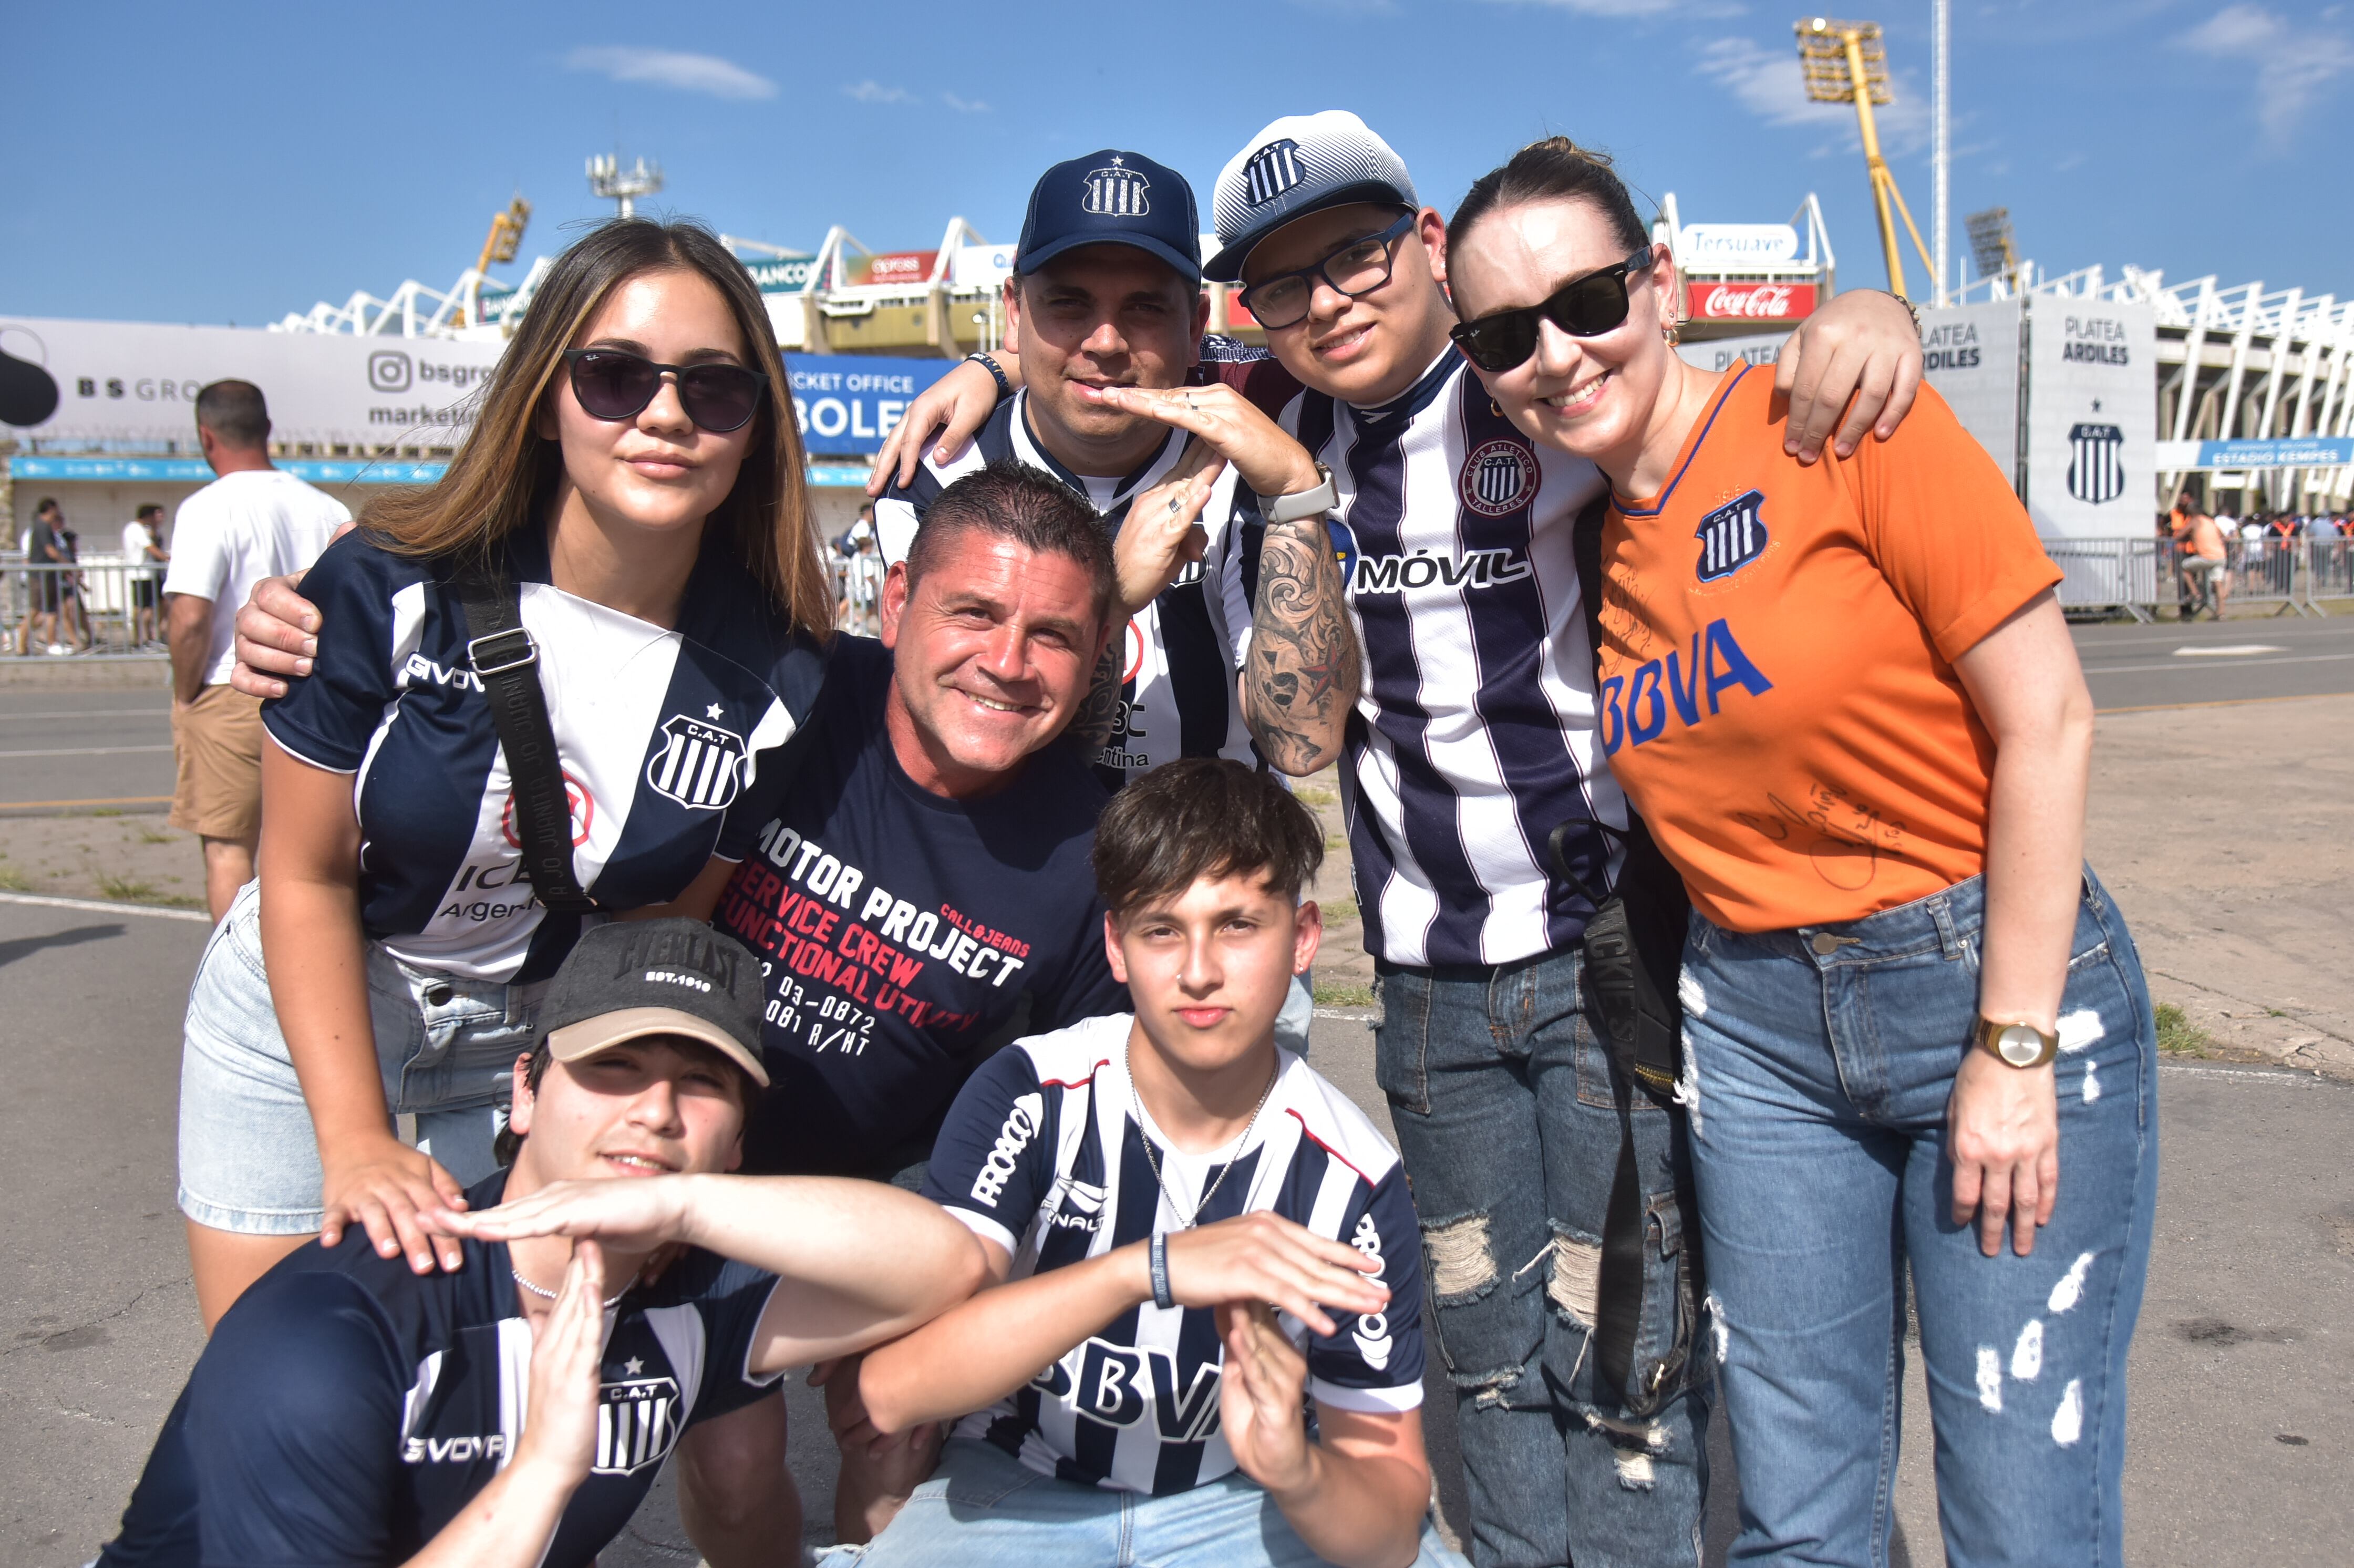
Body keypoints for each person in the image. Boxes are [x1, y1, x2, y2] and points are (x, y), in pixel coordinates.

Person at [876, 109, 1928, 1568]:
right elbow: (1119, 391)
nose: (1328, 301)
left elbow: (1670, 380)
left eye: (1358, 254)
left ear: (1427, 244)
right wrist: (992, 364)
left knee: (1628, 1336)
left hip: (1604, 950)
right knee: (1480, 1351)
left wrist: (1864, 313)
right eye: (1285, 284)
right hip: (1430, 979)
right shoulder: (1278, 417)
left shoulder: (1529, 380)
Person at [1444, 135, 2159, 1568]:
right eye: (1506, 334)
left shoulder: (1837, 417)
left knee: (2019, 1516)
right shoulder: (1589, 531)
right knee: (1801, 1519)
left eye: (1586, 302)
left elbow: (2052, 722)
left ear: (1658, 282)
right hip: (1761, 1032)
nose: (1558, 355)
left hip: (1983, 975)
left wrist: (2012, 1049)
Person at [174, 220, 833, 1339]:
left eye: (714, 390)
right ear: (545, 396)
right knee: (277, 1394)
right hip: (317, 1012)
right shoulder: (382, 588)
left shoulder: (777, 671)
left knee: (479, 1412)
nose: (665, 414)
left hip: (532, 1043)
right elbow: (303, 877)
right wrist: (356, 1143)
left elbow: (657, 930)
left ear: (755, 426)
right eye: (615, 376)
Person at [97, 917, 987, 1568]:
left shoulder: (692, 1286)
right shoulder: (335, 1326)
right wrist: (539, 1475)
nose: (655, 1110)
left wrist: (686, 1203)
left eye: (702, 1082)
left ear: (740, 1139)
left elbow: (947, 1265)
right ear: (524, 1091)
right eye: (614, 1065)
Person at [839, 758, 1464, 1568]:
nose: (1198, 971)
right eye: (1162, 929)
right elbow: (892, 1389)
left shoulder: (1353, 1179)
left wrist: (1298, 1470)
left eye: (1238, 924)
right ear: (1116, 946)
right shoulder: (1031, 1094)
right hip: (1018, 1490)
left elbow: (1387, 1528)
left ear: (1304, 937)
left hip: (1246, 1501)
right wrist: (1147, 1270)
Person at [869, 148, 1275, 796]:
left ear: (1196, 323)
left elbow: (1299, 739)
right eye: (1068, 303)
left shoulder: (1249, 461)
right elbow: (957, 732)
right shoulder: (936, 472)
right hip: (1002, 861)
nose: (1106, 340)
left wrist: (1299, 499)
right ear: (1014, 308)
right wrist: (1114, 591)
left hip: (1202, 871)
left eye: (1144, 307)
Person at [162, 380, 350, 919]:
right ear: (268, 429)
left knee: (228, 851)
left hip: (230, 685)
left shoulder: (207, 508)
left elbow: (191, 617)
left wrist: (185, 694)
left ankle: (242, 988)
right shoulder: (325, 506)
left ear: (206, 436)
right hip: (314, 689)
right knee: (309, 858)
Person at [16, 497, 69, 655]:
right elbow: (50, 551)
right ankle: (21, 642)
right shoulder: (43, 526)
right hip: (40, 576)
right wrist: (68, 564)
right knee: (35, 609)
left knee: (51, 610)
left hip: (48, 575)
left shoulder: (41, 526)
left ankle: (52, 643)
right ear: (51, 509)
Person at [2172, 491, 2226, 618]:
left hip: (2207, 557)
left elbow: (2180, 535)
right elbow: (2224, 536)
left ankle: (2195, 593)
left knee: (2185, 567)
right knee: (2218, 584)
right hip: (2221, 556)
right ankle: (2221, 612)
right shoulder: (2211, 521)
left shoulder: (2195, 521)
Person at [124, 502, 169, 647]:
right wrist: (169, 559)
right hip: (141, 574)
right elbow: (151, 549)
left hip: (150, 574)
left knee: (157, 605)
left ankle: (151, 636)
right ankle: (141, 639)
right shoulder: (136, 529)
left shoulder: (147, 530)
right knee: (144, 608)